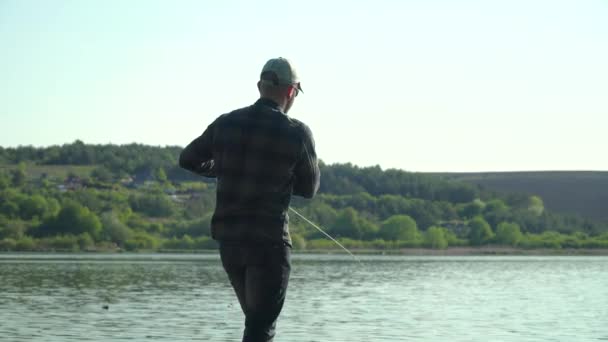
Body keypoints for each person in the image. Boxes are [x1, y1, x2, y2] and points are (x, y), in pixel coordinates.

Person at [179, 57, 320, 342]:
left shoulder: (226, 123)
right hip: (268, 245)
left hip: (229, 243)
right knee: (261, 328)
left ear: (259, 86)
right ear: (291, 91)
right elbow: (308, 188)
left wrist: (221, 169)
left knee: (255, 325)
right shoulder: (297, 132)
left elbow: (188, 159)